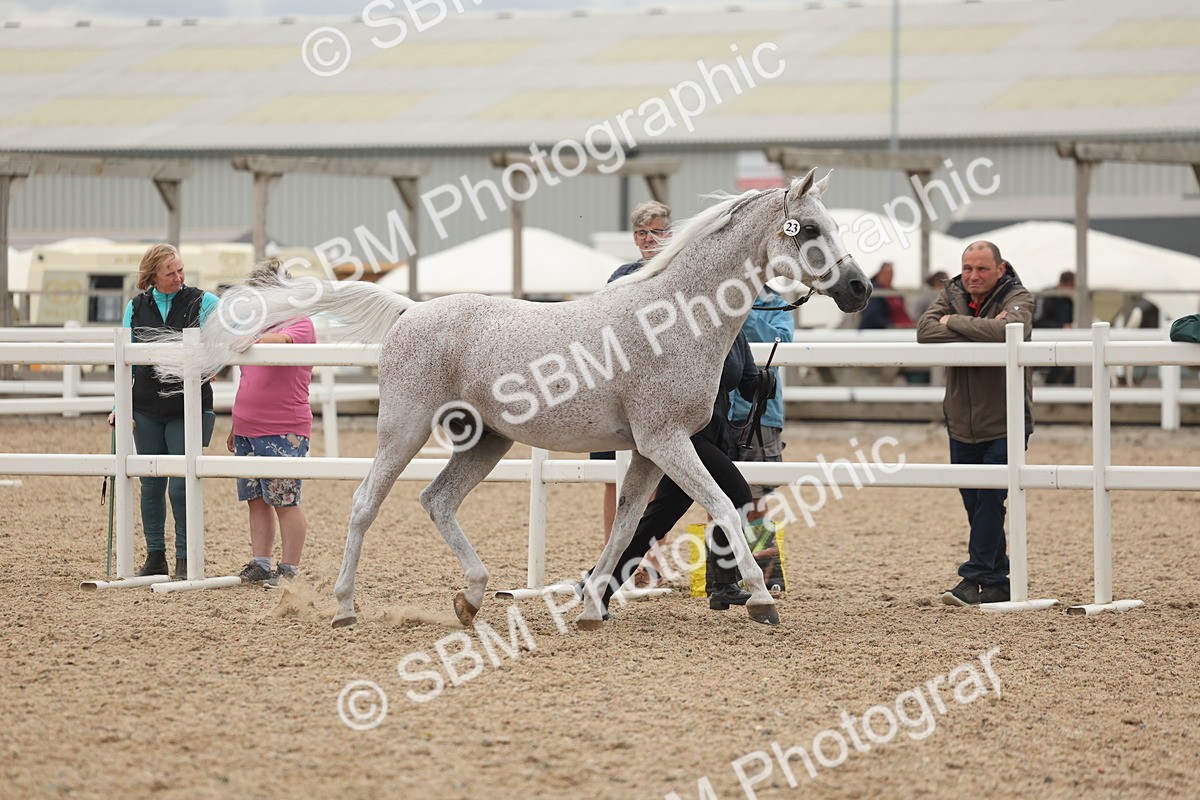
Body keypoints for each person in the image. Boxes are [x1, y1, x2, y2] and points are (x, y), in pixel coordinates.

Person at [582, 329, 763, 616]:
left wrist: (764, 385)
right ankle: (724, 581)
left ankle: (598, 583)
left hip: (716, 433)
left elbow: (747, 383)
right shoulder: (690, 331)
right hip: (683, 436)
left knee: (658, 520)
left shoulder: (735, 334)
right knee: (738, 494)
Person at [917, 242, 1033, 607]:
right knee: (976, 502)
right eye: (967, 268)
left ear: (1000, 269)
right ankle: (998, 580)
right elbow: (924, 331)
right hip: (961, 422)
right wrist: (981, 327)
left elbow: (1013, 332)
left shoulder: (1019, 297)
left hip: (1005, 420)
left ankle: (973, 577)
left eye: (981, 269)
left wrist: (954, 322)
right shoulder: (950, 292)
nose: (972, 276)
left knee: (988, 502)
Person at [107, 244, 219, 579]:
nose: (179, 278)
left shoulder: (204, 301)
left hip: (187, 404)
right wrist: (118, 405)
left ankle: (185, 557)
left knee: (182, 485)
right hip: (144, 406)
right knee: (150, 484)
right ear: (152, 276)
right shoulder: (135, 306)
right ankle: (156, 556)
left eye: (181, 270)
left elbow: (232, 329)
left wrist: (216, 361)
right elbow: (124, 359)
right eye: (170, 272)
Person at [589, 200, 672, 586]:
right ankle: (612, 554)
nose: (650, 239)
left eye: (656, 231)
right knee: (612, 477)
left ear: (669, 233)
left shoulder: (675, 272)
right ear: (635, 237)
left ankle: (651, 559)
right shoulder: (621, 275)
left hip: (656, 390)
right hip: (616, 389)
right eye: (643, 233)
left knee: (654, 479)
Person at [227, 261, 316, 587]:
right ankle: (261, 561)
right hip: (248, 425)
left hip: (283, 427)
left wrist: (249, 340)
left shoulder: (300, 323)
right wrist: (236, 425)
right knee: (256, 498)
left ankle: (289, 568)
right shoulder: (256, 328)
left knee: (285, 500)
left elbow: (285, 342)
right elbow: (250, 377)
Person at [728, 284, 794, 520]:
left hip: (760, 414)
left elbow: (782, 343)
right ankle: (720, 556)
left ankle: (759, 556)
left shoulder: (776, 303)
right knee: (717, 493)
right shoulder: (773, 304)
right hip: (720, 412)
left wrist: (743, 310)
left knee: (755, 494)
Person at [1033, 271, 1075, 385]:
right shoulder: (1046, 296)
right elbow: (1037, 322)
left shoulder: (1068, 299)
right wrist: (1061, 327)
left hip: (1062, 341)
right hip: (1042, 340)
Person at [858, 262, 914, 329]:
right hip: (882, 331)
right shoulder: (874, 293)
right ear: (879, 274)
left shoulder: (895, 293)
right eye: (886, 273)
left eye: (891, 274)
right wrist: (892, 325)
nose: (889, 277)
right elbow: (872, 316)